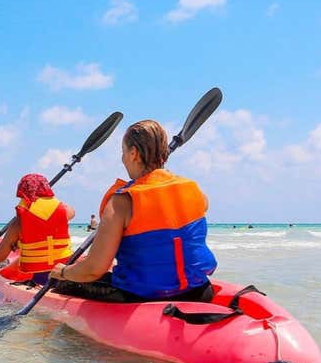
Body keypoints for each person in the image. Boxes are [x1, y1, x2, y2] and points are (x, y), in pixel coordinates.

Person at [49, 120, 217, 303]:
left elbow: (94, 270)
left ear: (133, 153)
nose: (122, 159)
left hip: (141, 296)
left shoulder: (121, 202)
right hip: (198, 290)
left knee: (63, 283)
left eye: (123, 152)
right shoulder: (194, 191)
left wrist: (64, 272)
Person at [0, 173, 75, 285]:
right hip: (64, 272)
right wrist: (49, 199)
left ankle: (3, 268)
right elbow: (68, 211)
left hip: (38, 277)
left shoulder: (19, 223)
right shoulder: (65, 212)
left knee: (3, 265)